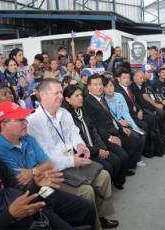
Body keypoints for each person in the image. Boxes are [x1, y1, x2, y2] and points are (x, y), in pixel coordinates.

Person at [0, 116, 96, 230]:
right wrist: (10, 215)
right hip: (8, 221)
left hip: (23, 211)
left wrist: (37, 185)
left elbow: (20, 191)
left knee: (86, 207)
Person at [26, 79, 120, 229]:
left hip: (74, 159)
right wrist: (71, 160)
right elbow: (44, 157)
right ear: (42, 95)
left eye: (61, 93)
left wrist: (80, 145)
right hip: (55, 170)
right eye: (56, 93)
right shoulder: (33, 122)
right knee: (86, 191)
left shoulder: (64, 113)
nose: (61, 96)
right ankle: (94, 226)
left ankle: (100, 216)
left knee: (104, 176)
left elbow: (74, 134)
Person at [62, 85, 125, 189]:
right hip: (84, 152)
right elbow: (77, 141)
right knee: (107, 167)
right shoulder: (66, 116)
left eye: (81, 95)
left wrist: (102, 148)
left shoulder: (82, 109)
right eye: (76, 96)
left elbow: (93, 130)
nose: (81, 98)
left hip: (95, 147)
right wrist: (97, 151)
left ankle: (113, 184)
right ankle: (103, 190)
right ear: (68, 99)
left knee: (116, 160)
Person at [84, 74, 143, 175]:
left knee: (136, 139)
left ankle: (128, 166)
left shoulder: (100, 99)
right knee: (122, 155)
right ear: (89, 87)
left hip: (114, 129)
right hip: (105, 136)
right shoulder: (88, 102)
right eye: (95, 85)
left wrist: (121, 128)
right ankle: (120, 177)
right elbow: (95, 127)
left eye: (100, 84)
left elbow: (111, 117)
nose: (99, 87)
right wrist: (110, 138)